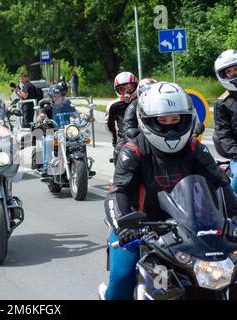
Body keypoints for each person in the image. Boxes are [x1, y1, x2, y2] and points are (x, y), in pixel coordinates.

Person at [100, 82, 237, 300]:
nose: (171, 127)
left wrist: (234, 215)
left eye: (176, 119)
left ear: (187, 118)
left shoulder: (195, 148)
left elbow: (220, 183)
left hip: (193, 230)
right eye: (162, 121)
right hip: (143, 229)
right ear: (146, 121)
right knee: (123, 276)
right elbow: (118, 193)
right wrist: (125, 226)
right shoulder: (133, 151)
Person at [213, 49, 237, 194]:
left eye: (236, 69)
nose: (234, 73)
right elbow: (224, 135)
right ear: (223, 75)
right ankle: (233, 209)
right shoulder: (222, 104)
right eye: (229, 72)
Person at [105, 72, 138, 163]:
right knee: (118, 153)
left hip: (142, 135)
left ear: (135, 86)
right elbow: (109, 125)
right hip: (124, 136)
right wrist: (115, 140)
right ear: (117, 90)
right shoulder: (113, 105)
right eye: (122, 89)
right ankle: (119, 176)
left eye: (129, 88)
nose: (126, 92)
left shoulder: (142, 100)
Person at [122, 78, 157, 142]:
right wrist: (136, 142)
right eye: (146, 93)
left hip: (160, 137)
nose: (149, 97)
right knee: (119, 148)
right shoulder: (133, 106)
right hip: (142, 139)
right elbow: (128, 127)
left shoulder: (162, 106)